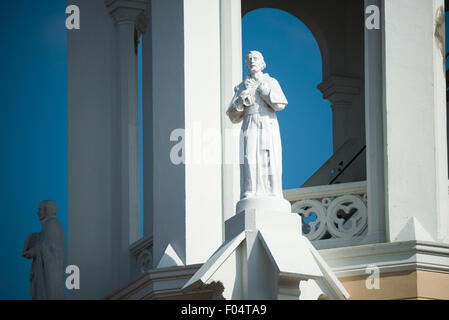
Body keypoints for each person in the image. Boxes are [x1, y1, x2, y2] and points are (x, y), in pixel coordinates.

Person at [227, 51, 288, 200]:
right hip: (249, 122)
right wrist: (241, 100)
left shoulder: (270, 81)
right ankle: (250, 189)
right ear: (246, 65)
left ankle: (272, 190)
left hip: (266, 121)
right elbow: (233, 117)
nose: (252, 61)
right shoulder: (241, 86)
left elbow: (280, 104)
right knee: (249, 156)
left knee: (267, 156)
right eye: (249, 60)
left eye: (256, 59)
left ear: (262, 63)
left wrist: (264, 90)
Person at [22, 200, 66, 300]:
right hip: (50, 272)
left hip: (50, 274)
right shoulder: (51, 225)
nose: (37, 212)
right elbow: (47, 245)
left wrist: (32, 251)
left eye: (40, 209)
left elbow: (49, 247)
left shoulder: (51, 225)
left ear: (47, 210)